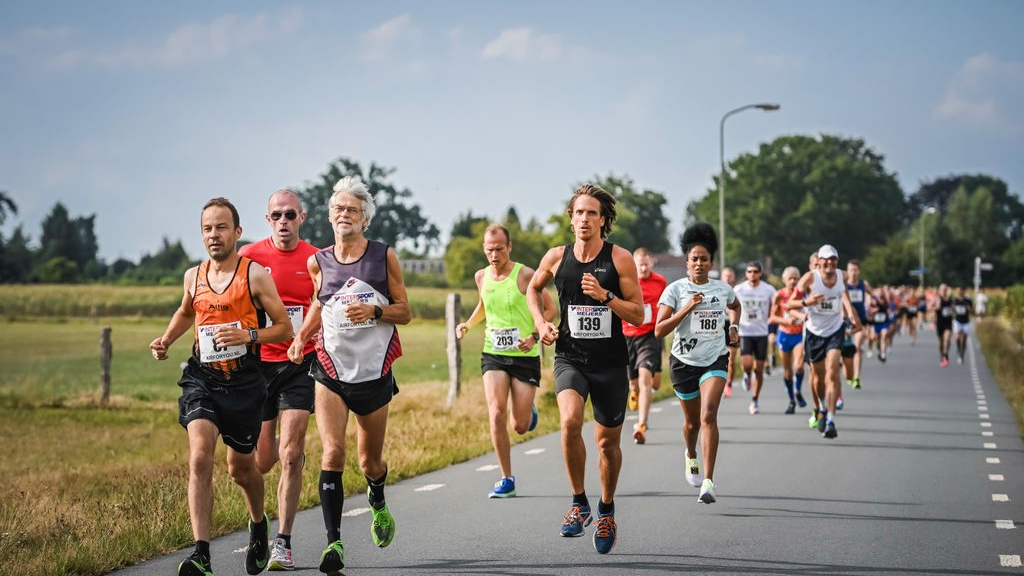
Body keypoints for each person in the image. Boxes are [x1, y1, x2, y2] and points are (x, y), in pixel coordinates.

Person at [150, 197, 293, 576]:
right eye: (208, 229)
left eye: (221, 227)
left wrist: (247, 335)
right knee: (199, 456)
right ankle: (202, 554)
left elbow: (284, 327)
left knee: (241, 470)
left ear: (238, 232)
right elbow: (186, 311)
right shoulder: (192, 276)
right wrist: (166, 339)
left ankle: (259, 524)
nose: (214, 235)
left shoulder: (254, 275)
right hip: (203, 378)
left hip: (245, 383)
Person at [287, 176, 411, 573]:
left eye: (352, 210)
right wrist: (300, 338)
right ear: (329, 216)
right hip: (330, 368)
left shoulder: (382, 256)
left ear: (365, 220)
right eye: (339, 209)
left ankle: (377, 495)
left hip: (373, 372)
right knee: (333, 452)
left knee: (368, 460)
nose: (345, 215)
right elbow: (319, 306)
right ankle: (334, 544)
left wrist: (375, 311)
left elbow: (405, 312)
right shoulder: (317, 261)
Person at [527, 184, 644, 555]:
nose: (584, 219)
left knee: (607, 443)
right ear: (571, 217)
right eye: (579, 212)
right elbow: (533, 290)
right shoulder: (556, 257)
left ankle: (606, 510)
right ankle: (579, 503)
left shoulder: (620, 259)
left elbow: (639, 314)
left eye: (591, 213)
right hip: (570, 357)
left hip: (610, 363)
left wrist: (606, 297)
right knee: (569, 422)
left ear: (603, 220)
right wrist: (542, 323)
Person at [237, 189, 320, 571]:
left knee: (290, 453)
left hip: (300, 365)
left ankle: (283, 542)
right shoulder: (249, 257)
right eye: (276, 215)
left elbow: (325, 306)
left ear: (301, 217)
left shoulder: (315, 258)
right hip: (258, 367)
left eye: (290, 215)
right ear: (267, 219)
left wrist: (311, 338)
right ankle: (260, 522)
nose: (283, 221)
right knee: (263, 460)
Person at [455, 224, 554, 497]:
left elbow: (551, 308)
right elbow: (485, 305)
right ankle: (506, 478)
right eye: (489, 250)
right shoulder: (481, 276)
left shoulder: (526, 275)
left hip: (525, 356)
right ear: (484, 250)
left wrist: (535, 336)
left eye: (500, 248)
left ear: (509, 247)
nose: (495, 254)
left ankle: (528, 412)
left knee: (519, 426)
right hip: (493, 353)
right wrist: (468, 324)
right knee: (496, 412)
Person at [655, 222, 740, 504]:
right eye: (694, 259)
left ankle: (709, 481)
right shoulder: (675, 290)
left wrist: (734, 327)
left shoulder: (722, 289)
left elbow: (735, 305)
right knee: (691, 423)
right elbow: (659, 330)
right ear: (687, 262)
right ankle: (690, 454)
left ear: (711, 262)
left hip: (715, 358)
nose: (699, 264)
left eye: (704, 259)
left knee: (708, 415)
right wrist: (688, 308)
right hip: (683, 362)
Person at [788, 245, 861, 439]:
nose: (829, 263)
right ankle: (820, 407)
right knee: (818, 377)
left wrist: (854, 318)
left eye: (833, 259)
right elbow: (790, 304)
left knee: (832, 370)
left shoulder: (841, 276)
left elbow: (845, 297)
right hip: (814, 332)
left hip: (835, 330)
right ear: (819, 261)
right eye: (826, 259)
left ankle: (831, 419)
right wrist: (807, 302)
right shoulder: (810, 278)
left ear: (837, 261)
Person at [622, 247, 667, 444]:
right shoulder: (625, 281)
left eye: (645, 263)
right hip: (627, 336)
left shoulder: (660, 282)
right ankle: (634, 391)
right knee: (634, 383)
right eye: (639, 264)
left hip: (650, 335)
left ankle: (641, 424)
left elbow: (666, 305)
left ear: (651, 263)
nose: (642, 267)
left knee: (647, 379)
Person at [733, 261, 776, 415]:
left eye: (755, 272)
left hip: (762, 332)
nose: (753, 274)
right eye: (750, 271)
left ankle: (755, 400)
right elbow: (731, 307)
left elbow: (775, 307)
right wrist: (734, 325)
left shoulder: (768, 290)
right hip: (745, 331)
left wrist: (772, 321)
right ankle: (746, 374)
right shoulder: (739, 289)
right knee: (747, 364)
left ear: (760, 273)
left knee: (759, 369)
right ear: (746, 273)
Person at [768, 266, 806, 414]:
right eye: (790, 278)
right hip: (784, 335)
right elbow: (772, 317)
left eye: (796, 278)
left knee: (799, 366)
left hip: (799, 335)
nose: (793, 281)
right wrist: (787, 322)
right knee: (788, 371)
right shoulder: (779, 295)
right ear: (784, 280)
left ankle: (798, 391)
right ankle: (791, 401)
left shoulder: (803, 295)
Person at [844, 260, 872, 389]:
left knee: (857, 346)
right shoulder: (843, 285)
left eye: (855, 270)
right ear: (847, 271)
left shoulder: (863, 284)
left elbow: (872, 296)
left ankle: (856, 376)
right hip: (846, 321)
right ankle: (848, 373)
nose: (853, 272)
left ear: (859, 271)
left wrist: (870, 305)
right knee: (845, 351)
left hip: (860, 321)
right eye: (851, 270)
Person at [720, 266, 739, 398]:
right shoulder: (717, 290)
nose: (727, 278)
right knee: (719, 357)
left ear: (733, 277)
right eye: (725, 275)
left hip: (732, 325)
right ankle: (720, 382)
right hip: (719, 325)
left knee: (731, 359)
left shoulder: (738, 290)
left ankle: (729, 383)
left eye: (730, 275)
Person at [933, 284, 954, 368]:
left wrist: (954, 309)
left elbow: (953, 308)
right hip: (940, 322)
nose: (944, 291)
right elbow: (930, 307)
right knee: (941, 342)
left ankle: (946, 354)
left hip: (948, 322)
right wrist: (936, 308)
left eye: (945, 289)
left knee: (947, 338)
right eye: (942, 289)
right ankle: (942, 355)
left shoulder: (950, 299)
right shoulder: (937, 298)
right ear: (939, 290)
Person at [953, 286, 973, 364]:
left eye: (960, 291)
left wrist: (969, 309)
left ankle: (961, 355)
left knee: (964, 339)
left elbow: (972, 310)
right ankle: (958, 348)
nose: (959, 292)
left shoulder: (968, 300)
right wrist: (953, 308)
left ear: (963, 292)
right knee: (957, 337)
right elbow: (952, 309)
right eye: (957, 291)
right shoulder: (955, 300)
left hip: (966, 322)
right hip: (957, 321)